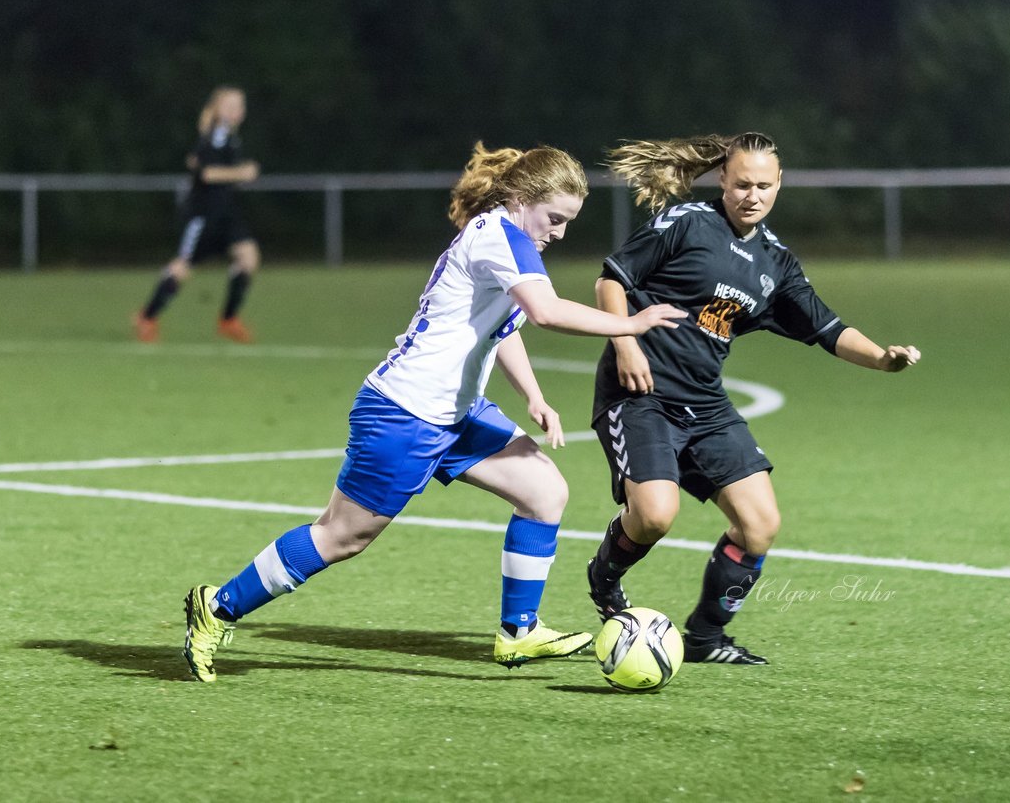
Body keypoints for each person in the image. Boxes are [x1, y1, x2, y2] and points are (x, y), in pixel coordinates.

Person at [182, 142, 687, 682]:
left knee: (544, 492)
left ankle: (518, 633)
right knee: (341, 537)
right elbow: (544, 311)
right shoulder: (501, 237)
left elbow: (506, 327)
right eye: (555, 218)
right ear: (521, 198)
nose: (559, 232)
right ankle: (216, 607)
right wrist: (630, 324)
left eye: (567, 223)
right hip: (404, 413)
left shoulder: (502, 235)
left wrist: (534, 396)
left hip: (458, 413)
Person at [585, 132, 921, 665]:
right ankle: (604, 577)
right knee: (653, 516)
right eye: (742, 184)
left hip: (707, 405)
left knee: (760, 525)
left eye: (764, 185)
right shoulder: (688, 224)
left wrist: (882, 358)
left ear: (779, 184)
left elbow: (827, 328)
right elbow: (612, 280)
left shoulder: (775, 262)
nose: (752, 195)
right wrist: (625, 343)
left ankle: (705, 637)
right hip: (641, 394)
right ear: (723, 179)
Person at [134, 86, 261, 343]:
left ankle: (228, 319)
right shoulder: (216, 135)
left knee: (248, 258)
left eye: (241, 106)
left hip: (227, 214)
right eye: (232, 105)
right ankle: (147, 316)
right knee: (182, 267)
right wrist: (242, 173)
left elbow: (199, 163)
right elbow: (205, 173)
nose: (238, 111)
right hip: (203, 215)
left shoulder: (228, 136)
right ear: (218, 109)